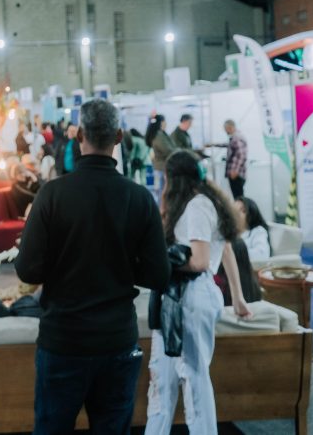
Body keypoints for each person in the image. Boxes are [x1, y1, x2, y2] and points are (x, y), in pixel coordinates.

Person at [16, 99, 171, 434]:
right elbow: (159, 275)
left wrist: (62, 262)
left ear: (79, 135)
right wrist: (123, 264)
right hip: (117, 339)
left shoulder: (52, 194)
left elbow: (27, 270)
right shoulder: (139, 198)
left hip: (63, 339)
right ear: (119, 137)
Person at [145, 149, 252, 435]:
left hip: (190, 297)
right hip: (180, 298)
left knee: (193, 381)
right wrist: (238, 298)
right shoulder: (205, 202)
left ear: (175, 179)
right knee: (162, 382)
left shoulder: (196, 206)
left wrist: (161, 261)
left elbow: (201, 261)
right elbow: (225, 249)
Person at [147, 115, 177, 197]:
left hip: (160, 168)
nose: (166, 123)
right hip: (161, 169)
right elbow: (167, 150)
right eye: (164, 121)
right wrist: (178, 152)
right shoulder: (158, 135)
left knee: (161, 192)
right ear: (161, 123)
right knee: (162, 193)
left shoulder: (159, 134)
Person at [234, 196, 270, 262]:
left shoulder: (258, 231)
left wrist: (233, 253)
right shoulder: (227, 233)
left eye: (243, 211)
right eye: (234, 210)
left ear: (251, 215)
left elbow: (262, 255)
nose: (236, 213)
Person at [221, 120, 248, 198]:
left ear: (230, 127)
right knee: (238, 196)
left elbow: (241, 155)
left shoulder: (236, 138)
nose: (225, 131)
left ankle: (241, 207)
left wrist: (235, 171)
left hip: (236, 174)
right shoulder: (235, 137)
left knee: (238, 197)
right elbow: (229, 145)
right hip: (237, 173)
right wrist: (212, 145)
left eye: (225, 129)